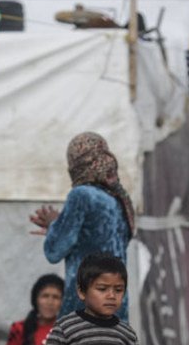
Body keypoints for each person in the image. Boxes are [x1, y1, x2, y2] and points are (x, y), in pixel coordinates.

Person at [30, 132, 134, 320]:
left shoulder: (81, 195)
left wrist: (54, 225)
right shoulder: (120, 202)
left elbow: (54, 250)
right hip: (116, 313)